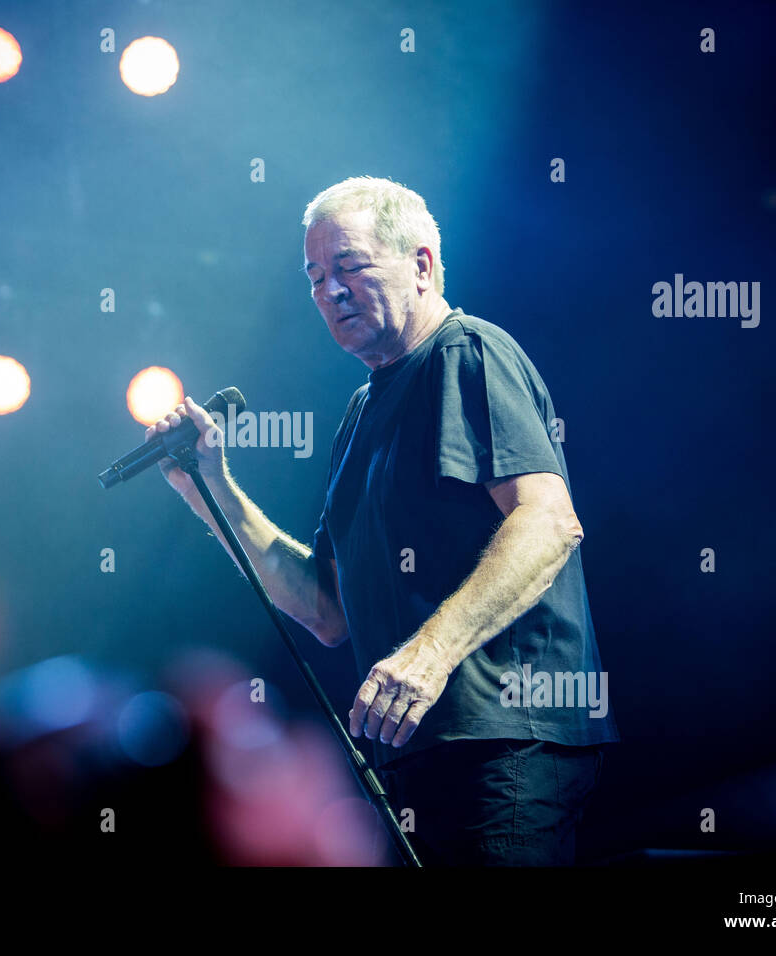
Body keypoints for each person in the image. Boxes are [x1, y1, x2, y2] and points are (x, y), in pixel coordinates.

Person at [146, 176, 619, 865]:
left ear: (421, 264)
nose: (329, 292)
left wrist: (426, 656)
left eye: (350, 266)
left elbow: (549, 523)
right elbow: (326, 608)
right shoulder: (360, 414)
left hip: (501, 742)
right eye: (314, 277)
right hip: (410, 760)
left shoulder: (466, 353)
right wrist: (209, 487)